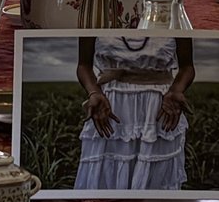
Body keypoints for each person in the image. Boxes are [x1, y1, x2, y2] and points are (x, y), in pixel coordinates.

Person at [72, 32, 194, 191]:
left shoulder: (174, 13)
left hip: (159, 112)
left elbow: (187, 67)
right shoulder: (96, 12)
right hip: (110, 109)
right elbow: (83, 66)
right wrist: (94, 92)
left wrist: (177, 89)